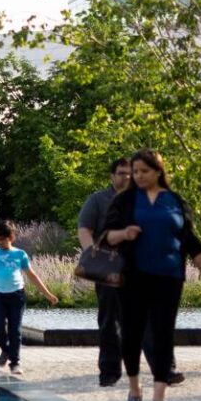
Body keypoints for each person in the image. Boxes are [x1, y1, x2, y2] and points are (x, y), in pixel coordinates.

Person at [101, 149, 201, 401]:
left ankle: (159, 397)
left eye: (144, 171)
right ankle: (134, 387)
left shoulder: (175, 201)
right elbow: (107, 237)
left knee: (164, 333)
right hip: (132, 277)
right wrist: (124, 234)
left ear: (158, 171)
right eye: (135, 171)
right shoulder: (125, 201)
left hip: (169, 276)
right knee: (132, 333)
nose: (139, 176)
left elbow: (192, 242)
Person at [77, 155, 134, 388]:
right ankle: (109, 370)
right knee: (110, 321)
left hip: (138, 268)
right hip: (108, 270)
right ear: (112, 176)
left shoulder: (142, 199)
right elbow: (84, 229)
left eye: (130, 173)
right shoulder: (99, 200)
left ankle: (163, 367)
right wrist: (93, 257)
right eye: (122, 173)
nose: (127, 177)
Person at [0, 221, 57, 375]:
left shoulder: (20, 254)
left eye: (2, 239)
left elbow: (32, 276)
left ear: (11, 237)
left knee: (15, 330)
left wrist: (48, 294)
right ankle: (6, 349)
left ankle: (15, 362)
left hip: (17, 296)